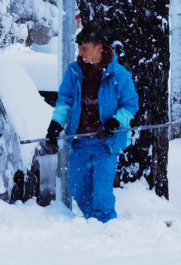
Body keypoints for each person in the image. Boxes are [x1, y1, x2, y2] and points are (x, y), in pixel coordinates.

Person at [44, 22, 139, 222]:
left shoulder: (118, 74)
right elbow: (65, 101)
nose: (81, 53)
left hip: (106, 143)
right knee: (77, 187)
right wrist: (56, 124)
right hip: (80, 141)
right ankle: (93, 221)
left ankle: (104, 223)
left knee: (102, 193)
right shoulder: (75, 71)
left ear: (99, 47)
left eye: (85, 48)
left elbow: (130, 104)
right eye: (79, 48)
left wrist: (115, 122)